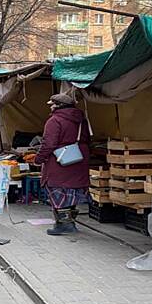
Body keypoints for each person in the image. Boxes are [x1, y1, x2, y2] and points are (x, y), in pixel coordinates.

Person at [34, 93, 90, 236]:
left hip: (60, 161)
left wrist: (38, 159)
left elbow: (48, 144)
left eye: (52, 104)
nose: (51, 107)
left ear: (59, 105)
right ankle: (69, 223)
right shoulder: (81, 120)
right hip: (79, 158)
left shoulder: (55, 120)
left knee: (58, 191)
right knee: (72, 192)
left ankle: (63, 225)